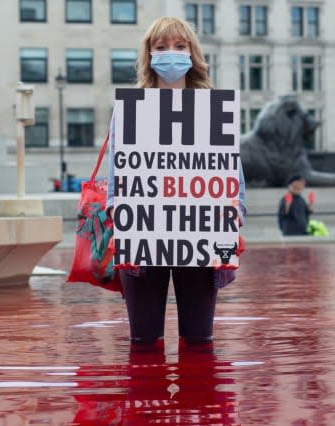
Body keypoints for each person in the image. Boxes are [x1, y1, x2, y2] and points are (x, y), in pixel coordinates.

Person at [105, 17, 247, 349]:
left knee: (199, 341)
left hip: (203, 232)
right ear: (149, 55)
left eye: (180, 47)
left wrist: (236, 210)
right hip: (141, 232)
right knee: (143, 341)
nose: (172, 54)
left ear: (192, 54)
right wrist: (118, 210)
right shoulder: (129, 110)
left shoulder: (214, 108)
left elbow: (231, 172)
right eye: (162, 47)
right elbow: (117, 173)